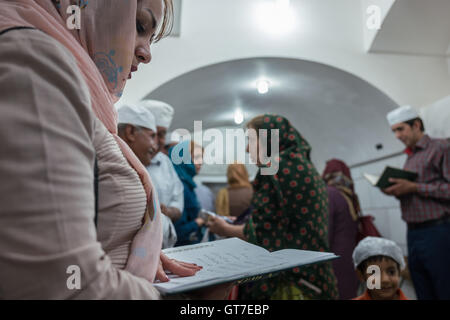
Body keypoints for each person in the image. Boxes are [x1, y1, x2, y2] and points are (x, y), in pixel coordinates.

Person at [0, 0, 209, 299]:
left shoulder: (85, 95)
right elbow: (56, 283)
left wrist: (134, 251)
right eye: (138, 27)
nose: (146, 54)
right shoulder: (32, 61)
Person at [208, 114, 338, 300]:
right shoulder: (305, 166)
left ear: (268, 139)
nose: (247, 149)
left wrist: (224, 228)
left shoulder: (274, 169)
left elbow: (261, 231)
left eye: (251, 141)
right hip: (316, 276)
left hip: (288, 283)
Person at [383, 105, 450, 300]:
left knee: (443, 287)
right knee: (423, 288)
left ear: (416, 125)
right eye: (393, 131)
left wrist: (414, 187)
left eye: (400, 129)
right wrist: (396, 190)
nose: (397, 135)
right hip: (413, 233)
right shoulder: (410, 157)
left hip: (438, 232)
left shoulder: (441, 148)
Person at [140, 100, 185, 248]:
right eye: (153, 135)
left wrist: (168, 211)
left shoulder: (165, 162)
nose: (157, 142)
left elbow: (178, 200)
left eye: (162, 134)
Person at [322, 159, 360, 300]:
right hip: (350, 259)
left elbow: (326, 233)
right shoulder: (350, 195)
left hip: (334, 262)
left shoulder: (329, 194)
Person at [170, 140, 207, 246]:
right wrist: (199, 222)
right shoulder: (180, 186)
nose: (201, 162)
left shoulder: (187, 183)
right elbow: (177, 232)